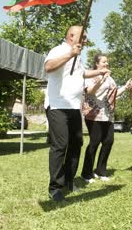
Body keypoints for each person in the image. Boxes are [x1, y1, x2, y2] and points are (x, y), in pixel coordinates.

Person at [45, 25, 110, 202]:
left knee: (77, 143)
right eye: (84, 37)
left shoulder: (78, 57)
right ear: (72, 36)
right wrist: (70, 54)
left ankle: (68, 181)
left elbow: (82, 74)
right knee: (61, 144)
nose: (86, 40)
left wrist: (100, 71)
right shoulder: (59, 50)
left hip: (74, 107)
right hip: (57, 105)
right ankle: (55, 188)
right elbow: (48, 67)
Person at [80, 54, 132, 182]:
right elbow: (91, 91)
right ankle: (86, 173)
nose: (106, 64)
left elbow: (113, 95)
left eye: (107, 62)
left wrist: (125, 87)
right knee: (94, 142)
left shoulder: (110, 79)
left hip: (108, 115)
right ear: (97, 64)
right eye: (104, 62)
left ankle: (100, 171)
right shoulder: (91, 76)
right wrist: (102, 79)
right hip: (94, 114)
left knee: (108, 141)